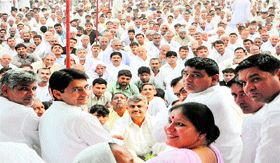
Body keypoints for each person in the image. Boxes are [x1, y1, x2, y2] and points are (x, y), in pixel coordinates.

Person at [159, 57, 242, 163]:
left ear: (214, 79)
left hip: (216, 157)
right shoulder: (223, 91)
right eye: (185, 74)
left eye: (196, 75)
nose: (187, 79)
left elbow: (160, 135)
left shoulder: (205, 101)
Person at [39, 68, 113, 163]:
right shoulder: (82, 118)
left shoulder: (47, 114)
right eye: (76, 90)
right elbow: (110, 152)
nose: (85, 93)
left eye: (86, 87)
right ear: (57, 94)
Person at [236, 54, 280, 162]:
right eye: (243, 83)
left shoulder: (275, 111)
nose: (248, 88)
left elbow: (268, 158)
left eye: (256, 79)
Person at [147, 102, 223, 163]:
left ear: (202, 133)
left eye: (180, 124)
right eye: (170, 121)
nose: (169, 128)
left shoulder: (177, 157)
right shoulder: (213, 152)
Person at [110, 95, 160, 160]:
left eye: (139, 106)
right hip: (132, 158)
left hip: (156, 157)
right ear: (127, 109)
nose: (136, 109)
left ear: (146, 108)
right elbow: (114, 138)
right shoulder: (120, 123)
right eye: (132, 106)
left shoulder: (155, 121)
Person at [227, 76, 264, 163]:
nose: (238, 101)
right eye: (235, 95)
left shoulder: (253, 122)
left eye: (243, 94)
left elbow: (247, 160)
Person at [0, 69, 40, 148]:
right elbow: (44, 142)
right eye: (24, 89)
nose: (31, 93)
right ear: (5, 90)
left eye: (34, 88)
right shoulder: (26, 113)